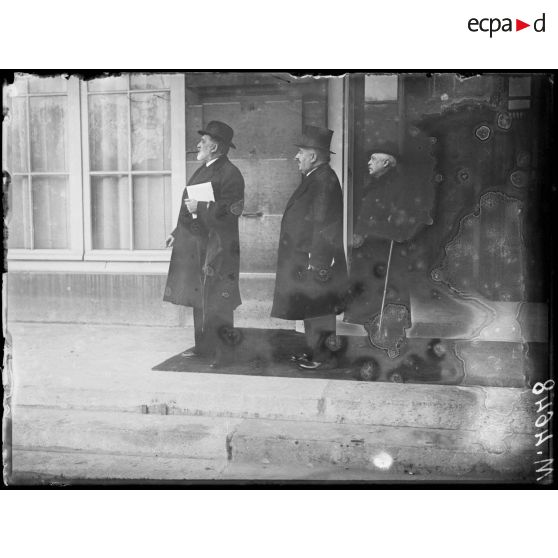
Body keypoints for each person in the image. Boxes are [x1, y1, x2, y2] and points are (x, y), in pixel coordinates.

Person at [164, 121, 245, 368]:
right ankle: (204, 348)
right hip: (199, 245)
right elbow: (187, 205)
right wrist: (178, 232)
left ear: (214, 147)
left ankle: (225, 354)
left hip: (219, 248)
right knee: (200, 297)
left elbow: (232, 211)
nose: (198, 144)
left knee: (219, 299)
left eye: (203, 141)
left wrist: (201, 207)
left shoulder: (231, 173)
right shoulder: (203, 169)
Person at [271, 125, 348, 371]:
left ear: (313, 156)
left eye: (301, 152)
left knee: (320, 306)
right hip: (308, 255)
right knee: (311, 304)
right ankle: (315, 350)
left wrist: (318, 260)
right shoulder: (317, 177)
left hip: (316, 257)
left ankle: (324, 357)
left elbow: (325, 223)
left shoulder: (323, 180)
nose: (297, 157)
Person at [344, 143, 402, 326]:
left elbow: (397, 219)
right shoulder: (375, 184)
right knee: (365, 279)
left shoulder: (395, 186)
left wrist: (366, 231)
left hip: (380, 243)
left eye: (373, 159)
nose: (369, 162)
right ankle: (363, 316)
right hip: (367, 243)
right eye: (370, 158)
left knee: (378, 281)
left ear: (386, 163)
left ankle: (376, 318)